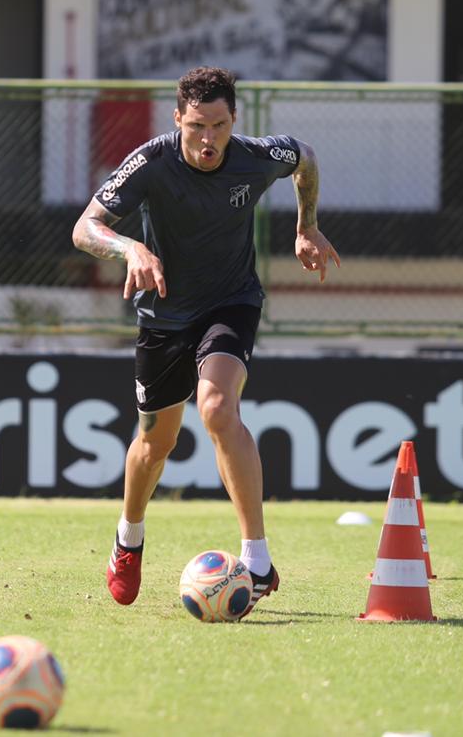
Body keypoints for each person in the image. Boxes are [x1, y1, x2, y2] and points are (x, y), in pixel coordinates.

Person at [71, 65, 340, 617]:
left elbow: (305, 157)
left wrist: (305, 225)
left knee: (218, 408)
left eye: (219, 125)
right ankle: (129, 538)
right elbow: (84, 227)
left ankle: (258, 559)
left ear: (233, 120)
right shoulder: (150, 161)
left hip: (230, 303)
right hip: (163, 317)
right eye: (197, 126)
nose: (209, 139)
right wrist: (130, 250)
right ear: (178, 119)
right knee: (155, 446)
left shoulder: (256, 155)